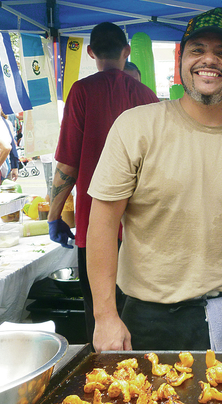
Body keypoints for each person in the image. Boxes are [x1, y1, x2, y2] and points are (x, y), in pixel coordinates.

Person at [86, 8, 222, 352]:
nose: (209, 61)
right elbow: (101, 223)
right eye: (198, 50)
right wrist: (105, 317)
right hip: (148, 318)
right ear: (180, 59)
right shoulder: (136, 127)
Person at [47, 22, 159, 343]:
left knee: (100, 319)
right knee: (137, 318)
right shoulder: (147, 96)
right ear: (126, 52)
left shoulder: (81, 92)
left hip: (93, 227)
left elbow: (67, 165)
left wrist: (54, 215)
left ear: (91, 52)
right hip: (140, 230)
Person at [0, 91, 13, 186]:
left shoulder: (7, 123)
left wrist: (15, 166)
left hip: (5, 167)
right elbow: (6, 147)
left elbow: (9, 146)